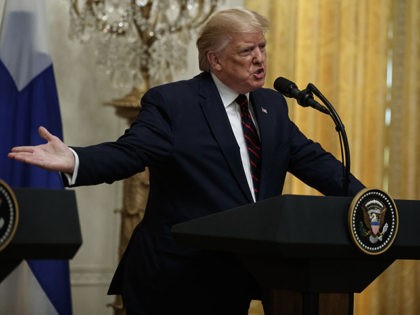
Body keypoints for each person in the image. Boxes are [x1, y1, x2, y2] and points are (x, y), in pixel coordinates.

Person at [8, 8, 364, 315]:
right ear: (215, 60)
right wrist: (73, 158)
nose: (260, 59)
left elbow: (317, 163)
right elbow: (129, 153)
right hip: (173, 280)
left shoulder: (272, 107)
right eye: (246, 50)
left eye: (262, 47)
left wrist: (372, 206)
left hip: (238, 277)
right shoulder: (175, 104)